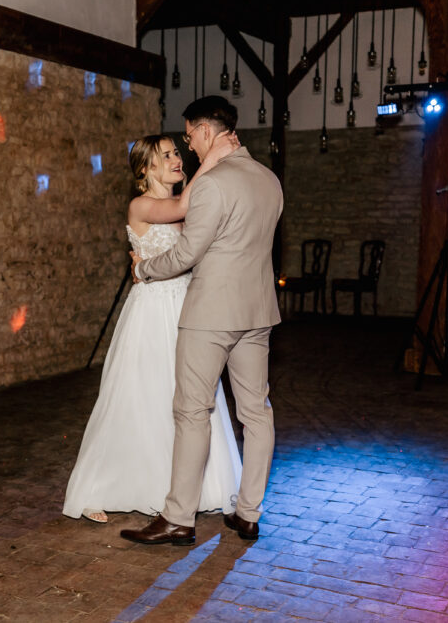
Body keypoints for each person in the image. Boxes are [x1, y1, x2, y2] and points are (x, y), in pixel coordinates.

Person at [120, 96, 283, 546]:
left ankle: (178, 518)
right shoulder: (269, 180)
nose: (189, 147)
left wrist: (143, 270)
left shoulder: (213, 185)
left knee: (192, 412)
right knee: (256, 412)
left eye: (190, 135)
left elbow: (188, 253)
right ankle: (248, 514)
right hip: (258, 312)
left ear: (206, 132)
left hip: (211, 314)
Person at [62, 132, 242, 523]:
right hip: (152, 312)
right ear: (146, 168)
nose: (177, 158)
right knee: (138, 398)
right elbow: (179, 206)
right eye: (167, 155)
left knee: (187, 399)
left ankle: (184, 488)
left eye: (178, 151)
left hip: (187, 308)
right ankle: (100, 486)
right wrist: (212, 158)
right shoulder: (141, 205)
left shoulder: (184, 206)